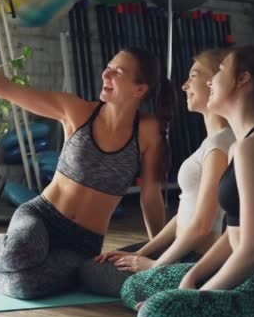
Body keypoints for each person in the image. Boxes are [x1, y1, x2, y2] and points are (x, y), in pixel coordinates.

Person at [0, 19, 172, 299]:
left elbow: (151, 196)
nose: (106, 73)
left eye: (118, 72)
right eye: (108, 66)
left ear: (140, 89)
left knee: (26, 286)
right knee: (19, 251)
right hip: (42, 216)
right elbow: (6, 89)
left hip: (81, 243)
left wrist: (157, 253)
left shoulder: (148, 132)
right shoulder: (76, 111)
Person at [122, 44, 254, 317]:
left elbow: (253, 250)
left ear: (243, 79)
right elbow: (233, 235)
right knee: (136, 287)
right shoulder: (241, 145)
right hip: (248, 277)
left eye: (220, 71)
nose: (211, 81)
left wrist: (195, 297)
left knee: (158, 315)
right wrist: (193, 276)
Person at [79, 48, 235, 297]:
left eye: (193, 75)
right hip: (182, 249)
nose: (184, 86)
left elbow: (203, 227)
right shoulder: (213, 143)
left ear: (215, 82)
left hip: (193, 257)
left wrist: (154, 265)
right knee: (98, 264)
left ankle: (180, 288)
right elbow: (186, 213)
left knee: (90, 273)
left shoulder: (219, 147)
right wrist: (141, 254)